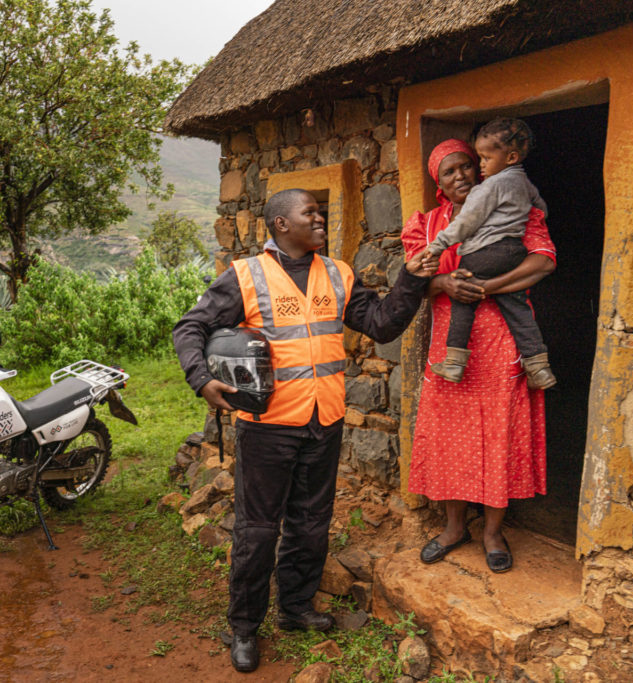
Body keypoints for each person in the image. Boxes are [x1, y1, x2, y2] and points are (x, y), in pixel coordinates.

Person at [173, 189, 437, 673]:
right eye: (309, 213)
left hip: (324, 419)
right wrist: (201, 378)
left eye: (321, 211)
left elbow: (380, 324)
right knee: (257, 528)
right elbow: (189, 327)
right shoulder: (246, 276)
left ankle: (295, 607)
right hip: (268, 426)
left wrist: (412, 279)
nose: (320, 218)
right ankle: (245, 627)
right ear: (280, 224)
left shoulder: (338, 272)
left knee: (312, 522)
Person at [403, 138, 557, 574]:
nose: (460, 177)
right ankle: (455, 528)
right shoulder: (429, 226)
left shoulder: (514, 209)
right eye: (449, 172)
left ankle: (492, 532)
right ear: (438, 183)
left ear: (481, 168)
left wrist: (485, 287)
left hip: (503, 340)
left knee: (499, 433)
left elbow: (543, 262)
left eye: (466, 167)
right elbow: (414, 282)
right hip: (451, 345)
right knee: (451, 435)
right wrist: (446, 284)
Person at [423, 118, 556, 389]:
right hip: (513, 251)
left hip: (483, 254)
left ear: (510, 157)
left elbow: (467, 223)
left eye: (477, 161)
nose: (480, 167)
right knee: (518, 308)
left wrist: (438, 245)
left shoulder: (488, 188)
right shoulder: (525, 184)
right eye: (449, 172)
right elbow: (540, 207)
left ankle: (454, 361)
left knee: (463, 299)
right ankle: (539, 367)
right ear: (438, 180)